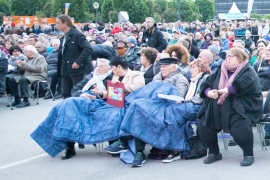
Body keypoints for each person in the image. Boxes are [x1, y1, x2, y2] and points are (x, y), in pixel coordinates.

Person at [31, 56, 145, 160]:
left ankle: (118, 143)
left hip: (117, 104)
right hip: (100, 101)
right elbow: (78, 89)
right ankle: (66, 145)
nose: (99, 69)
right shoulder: (92, 77)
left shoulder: (128, 75)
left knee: (111, 114)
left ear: (116, 67)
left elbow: (135, 89)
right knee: (67, 106)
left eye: (103, 66)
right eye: (98, 66)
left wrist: (115, 87)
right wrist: (97, 93)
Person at [105, 57, 189, 167]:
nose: (162, 69)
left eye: (164, 67)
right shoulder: (157, 78)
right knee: (137, 110)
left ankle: (125, 142)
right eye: (161, 66)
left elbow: (178, 98)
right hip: (150, 105)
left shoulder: (180, 79)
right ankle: (138, 152)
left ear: (174, 67)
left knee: (137, 107)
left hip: (164, 108)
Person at [198, 48, 263, 167]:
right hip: (219, 105)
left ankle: (248, 154)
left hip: (241, 105)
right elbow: (207, 83)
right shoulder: (221, 69)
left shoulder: (248, 70)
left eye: (232, 56)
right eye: (227, 55)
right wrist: (208, 92)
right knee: (204, 124)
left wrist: (227, 90)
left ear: (241, 58)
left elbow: (246, 83)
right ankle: (214, 152)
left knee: (240, 127)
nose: (228, 58)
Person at [163, 58, 211, 163]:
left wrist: (184, 102)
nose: (190, 70)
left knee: (173, 113)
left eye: (193, 67)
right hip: (190, 107)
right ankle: (176, 147)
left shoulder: (205, 78)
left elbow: (200, 97)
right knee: (170, 112)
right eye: (190, 68)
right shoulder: (192, 80)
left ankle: (176, 149)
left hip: (200, 108)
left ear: (201, 68)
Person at [56, 14, 93, 99]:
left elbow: (88, 48)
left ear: (65, 23)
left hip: (77, 70)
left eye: (58, 23)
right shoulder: (63, 38)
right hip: (66, 69)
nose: (56, 25)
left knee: (77, 93)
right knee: (66, 93)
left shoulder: (77, 35)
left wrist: (78, 61)